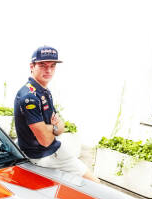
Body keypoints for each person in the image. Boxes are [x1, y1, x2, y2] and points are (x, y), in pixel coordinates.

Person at [13, 46, 99, 183]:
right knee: (95, 183)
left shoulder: (43, 91)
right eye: (43, 65)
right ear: (32, 66)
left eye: (52, 66)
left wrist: (52, 128)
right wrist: (53, 127)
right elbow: (46, 139)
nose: (49, 70)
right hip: (45, 154)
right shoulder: (30, 96)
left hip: (48, 150)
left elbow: (61, 127)